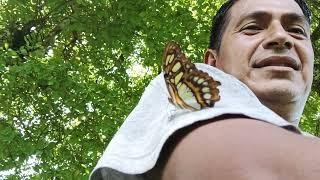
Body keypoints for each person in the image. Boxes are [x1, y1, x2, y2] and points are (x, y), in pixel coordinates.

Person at [90, 0, 320, 179]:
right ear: (212, 63)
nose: (281, 37)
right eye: (252, 28)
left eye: (297, 31)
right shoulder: (180, 86)